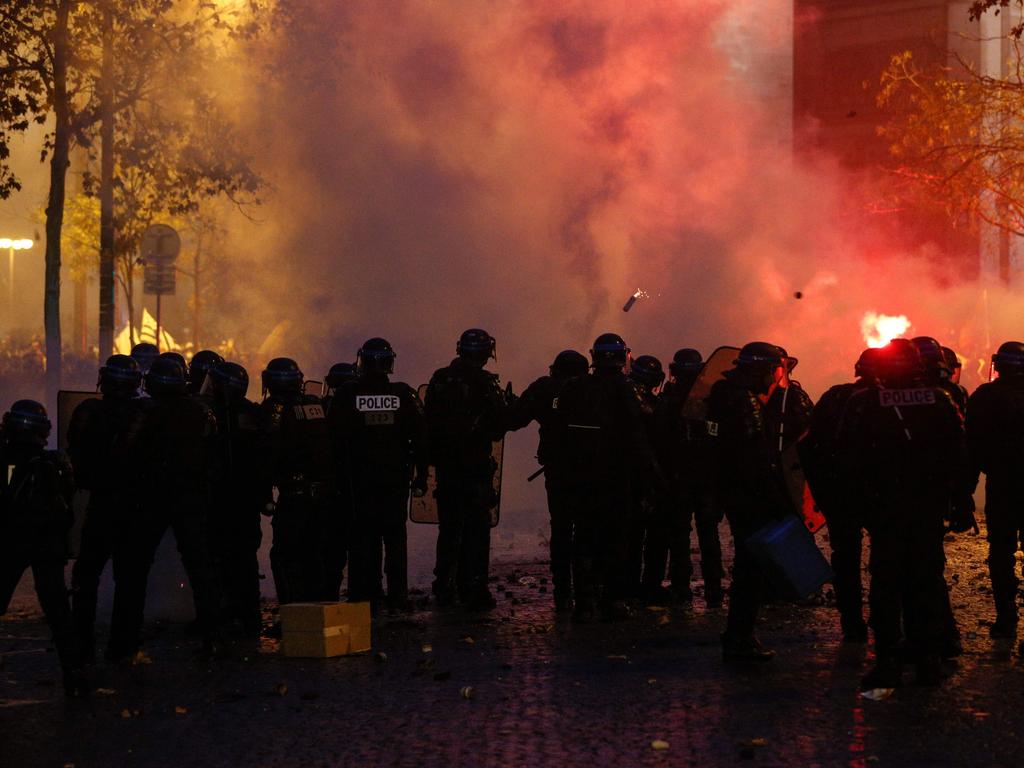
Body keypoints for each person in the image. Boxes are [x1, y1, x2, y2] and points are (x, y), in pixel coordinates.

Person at [839, 339, 971, 688]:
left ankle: (888, 662)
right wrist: (961, 503)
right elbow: (959, 457)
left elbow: (847, 461)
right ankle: (927, 661)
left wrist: (856, 505)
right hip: (926, 508)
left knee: (886, 585)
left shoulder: (863, 404)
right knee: (925, 582)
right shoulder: (939, 401)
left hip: (885, 510)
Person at [108, 356, 222, 659]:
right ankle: (214, 636)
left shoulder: (142, 412)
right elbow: (215, 456)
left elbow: (123, 454)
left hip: (151, 498)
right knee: (200, 567)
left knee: (135, 569)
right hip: (189, 498)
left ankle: (124, 641)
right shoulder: (202, 412)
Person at [557, 333, 653, 622]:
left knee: (584, 537)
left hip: (582, 476)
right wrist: (651, 480)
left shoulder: (575, 388)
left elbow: (561, 430)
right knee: (617, 539)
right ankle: (613, 599)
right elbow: (641, 434)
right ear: (623, 356)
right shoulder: (627, 389)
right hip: (617, 477)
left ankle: (584, 602)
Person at [707, 342, 794, 661]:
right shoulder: (745, 403)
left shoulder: (721, 394)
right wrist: (778, 502)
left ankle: (738, 634)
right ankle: (739, 637)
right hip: (749, 497)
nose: (774, 378)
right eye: (773, 371)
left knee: (748, 564)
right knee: (750, 568)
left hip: (730, 492)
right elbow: (756, 458)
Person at [328, 338, 427, 612]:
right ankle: (397, 597)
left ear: (363, 360)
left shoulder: (347, 394)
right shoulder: (403, 394)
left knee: (362, 541)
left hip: (358, 483)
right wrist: (420, 476)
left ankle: (365, 597)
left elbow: (334, 440)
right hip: (395, 481)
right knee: (395, 540)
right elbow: (421, 438)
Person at [0, 400, 87, 696]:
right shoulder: (55, 463)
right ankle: (74, 672)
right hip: (48, 543)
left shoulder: (9, 463)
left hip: (12, 540)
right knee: (58, 609)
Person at [424, 329, 510, 610]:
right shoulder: (487, 384)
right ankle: (474, 587)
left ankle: (444, 585)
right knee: (477, 529)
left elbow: (428, 425)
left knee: (449, 528)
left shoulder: (439, 380)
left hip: (448, 468)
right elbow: (498, 428)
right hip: (475, 469)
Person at [67, 354, 145, 662]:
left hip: (100, 504)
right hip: (135, 506)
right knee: (130, 579)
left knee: (86, 575)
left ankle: (81, 640)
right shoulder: (145, 414)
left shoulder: (88, 411)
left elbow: (76, 451)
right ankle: (123, 646)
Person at [800, 348, 879, 642]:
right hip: (879, 494)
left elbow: (807, 446)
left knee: (845, 556)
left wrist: (822, 489)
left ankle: (852, 623)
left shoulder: (835, 397)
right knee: (885, 557)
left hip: (840, 493)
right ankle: (886, 622)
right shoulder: (888, 400)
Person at [505, 349, 590, 611]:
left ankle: (563, 590)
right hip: (593, 471)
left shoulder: (545, 388)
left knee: (562, 529)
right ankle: (589, 590)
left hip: (559, 471)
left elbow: (515, 419)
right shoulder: (597, 388)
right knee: (588, 530)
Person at [259, 357, 336, 605]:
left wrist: (264, 495)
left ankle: (293, 615)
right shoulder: (316, 405)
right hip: (324, 495)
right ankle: (320, 610)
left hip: (294, 495)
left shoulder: (273, 410)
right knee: (315, 553)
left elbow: (267, 454)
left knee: (285, 556)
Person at [651, 348, 723, 607]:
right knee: (708, 534)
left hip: (678, 479)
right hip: (706, 479)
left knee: (679, 535)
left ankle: (681, 587)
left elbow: (657, 441)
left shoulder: (668, 401)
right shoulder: (712, 400)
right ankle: (714, 588)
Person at [205, 361, 269, 636]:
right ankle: (251, 618)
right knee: (245, 559)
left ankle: (220, 617)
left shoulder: (207, 414)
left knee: (217, 558)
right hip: (247, 501)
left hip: (218, 499)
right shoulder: (255, 414)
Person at [966, 341, 1024, 638]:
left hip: (1002, 486)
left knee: (1001, 553)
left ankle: (1006, 618)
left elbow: (972, 449)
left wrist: (963, 493)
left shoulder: (985, 397)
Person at [626, 355, 667, 602]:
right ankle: (650, 587)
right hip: (649, 477)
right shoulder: (651, 406)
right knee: (655, 536)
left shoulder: (618, 397)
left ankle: (628, 585)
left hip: (627, 478)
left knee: (630, 537)